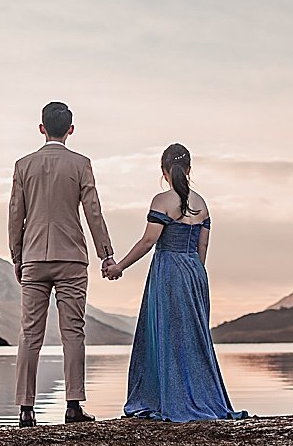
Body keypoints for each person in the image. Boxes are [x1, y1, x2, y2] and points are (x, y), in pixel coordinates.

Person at [105, 143, 248, 422]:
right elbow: (202, 248)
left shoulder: (161, 201)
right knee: (193, 337)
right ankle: (203, 396)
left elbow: (148, 241)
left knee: (165, 334)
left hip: (168, 270)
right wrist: (194, 274)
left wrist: (119, 266)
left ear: (164, 171)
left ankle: (164, 398)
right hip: (194, 272)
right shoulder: (202, 204)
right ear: (190, 169)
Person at [8, 101, 116, 428]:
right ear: (70, 130)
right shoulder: (81, 164)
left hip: (34, 258)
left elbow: (16, 215)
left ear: (41, 128)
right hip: (71, 257)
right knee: (73, 332)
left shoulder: (23, 165)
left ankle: (26, 409)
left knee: (29, 333)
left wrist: (18, 256)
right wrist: (105, 253)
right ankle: (72, 406)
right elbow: (93, 212)